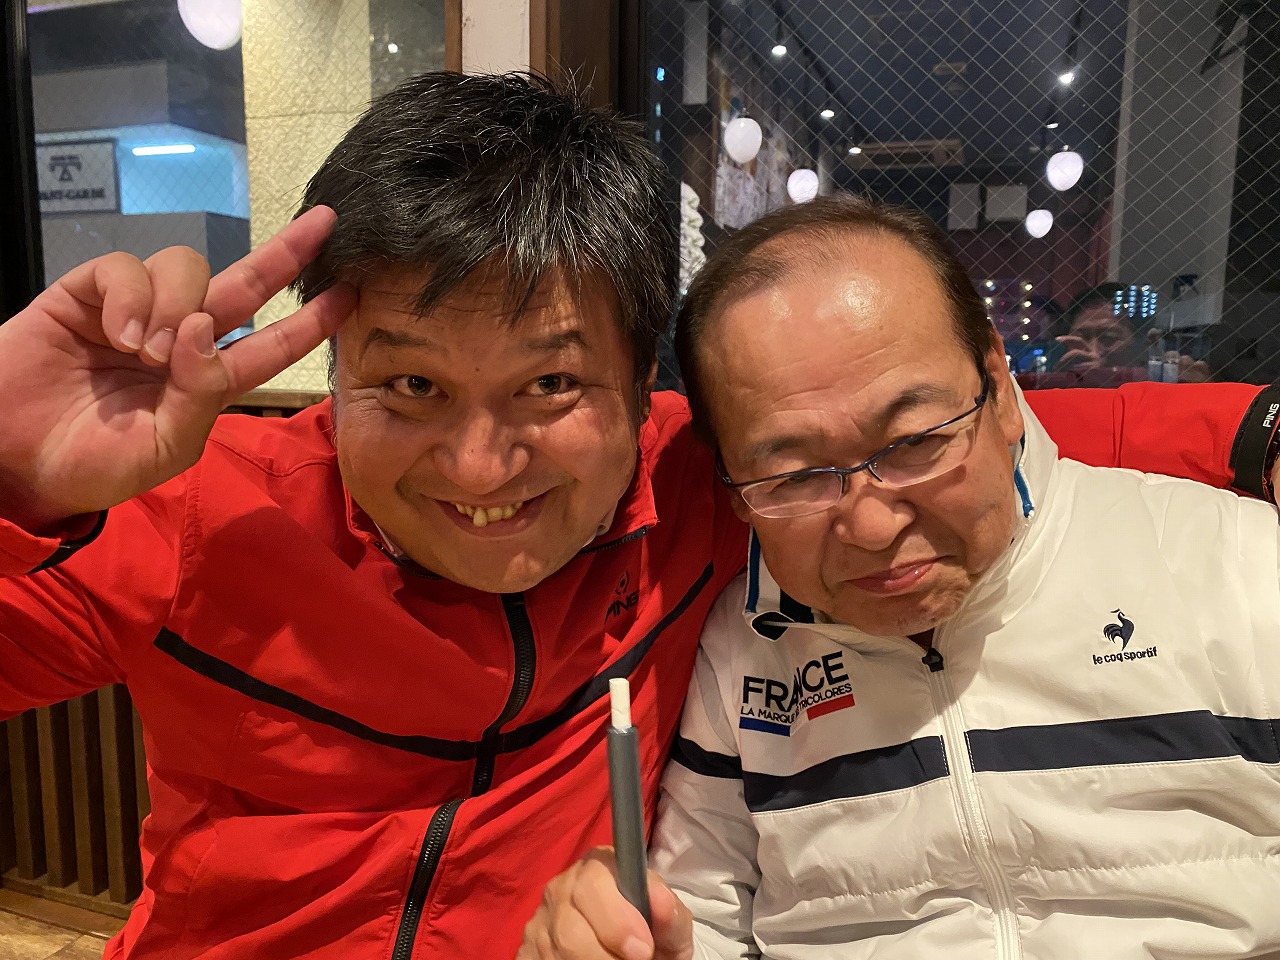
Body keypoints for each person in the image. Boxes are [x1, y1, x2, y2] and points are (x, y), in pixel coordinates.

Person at [0, 74, 1275, 960]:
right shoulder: (196, 510)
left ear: (638, 391)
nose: (479, 464)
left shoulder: (712, 482)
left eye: (550, 385)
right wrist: (17, 480)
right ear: (334, 377)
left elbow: (973, 425)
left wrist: (1256, 430)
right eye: (410, 386)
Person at [520, 196, 1280, 959]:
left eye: (916, 441)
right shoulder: (744, 645)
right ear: (734, 490)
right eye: (793, 477)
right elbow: (705, 919)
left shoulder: (1235, 562)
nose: (873, 527)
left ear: (998, 387)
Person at [1056, 284, 1210, 383]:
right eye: (1081, 338)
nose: (1093, 351)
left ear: (1144, 344)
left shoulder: (1158, 389)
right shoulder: (1054, 385)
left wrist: (1197, 393)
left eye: (1109, 339)